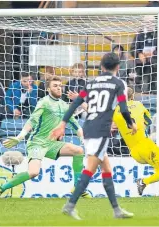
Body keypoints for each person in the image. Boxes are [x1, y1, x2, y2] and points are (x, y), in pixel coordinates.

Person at [50, 53, 135, 220]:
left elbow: (75, 103)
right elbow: (124, 109)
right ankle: (70, 205)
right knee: (90, 168)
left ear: (101, 67)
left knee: (106, 168)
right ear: (117, 67)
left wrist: (62, 124)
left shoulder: (91, 82)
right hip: (101, 130)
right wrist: (131, 123)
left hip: (88, 128)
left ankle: (117, 210)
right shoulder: (118, 83)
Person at [0, 76, 90, 199]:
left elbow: (76, 126)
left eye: (60, 86)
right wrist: (20, 137)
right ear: (48, 89)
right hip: (37, 142)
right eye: (55, 86)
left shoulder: (65, 105)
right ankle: (2, 187)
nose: (59, 88)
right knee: (34, 172)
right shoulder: (43, 102)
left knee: (79, 151)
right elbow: (32, 120)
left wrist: (82, 138)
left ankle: (77, 187)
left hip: (52, 144)